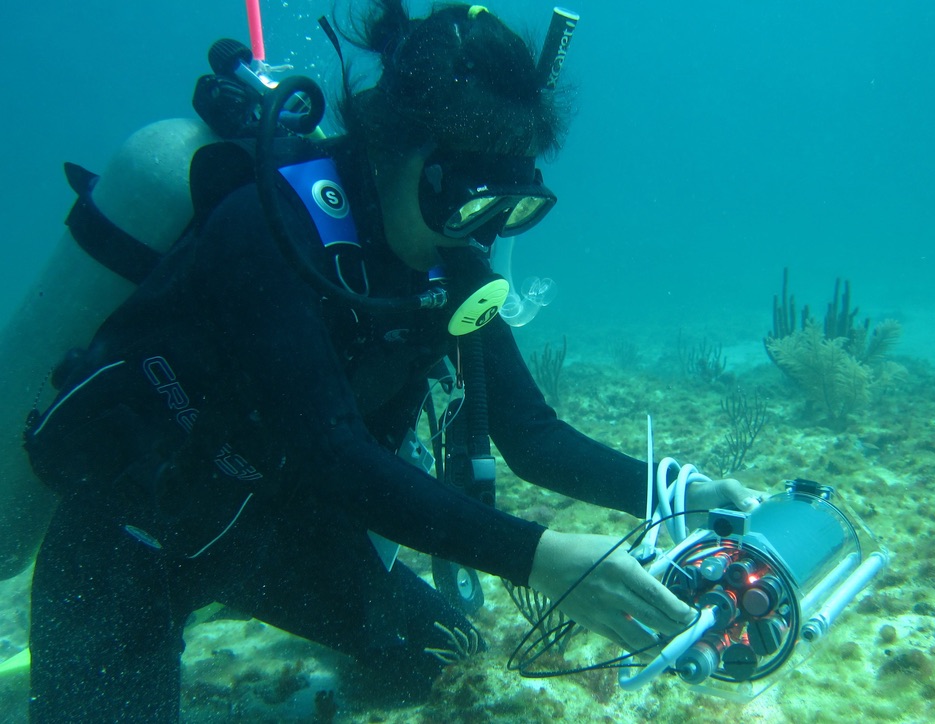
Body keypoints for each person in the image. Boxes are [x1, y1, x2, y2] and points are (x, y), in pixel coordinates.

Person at [23, 1, 760, 720]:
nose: (480, 235)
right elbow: (330, 452)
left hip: (266, 533)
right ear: (399, 151)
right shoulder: (268, 228)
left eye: (508, 210)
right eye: (469, 206)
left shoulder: (445, 268)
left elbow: (530, 434)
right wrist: (538, 554)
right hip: (128, 542)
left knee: (446, 656)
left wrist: (679, 491)